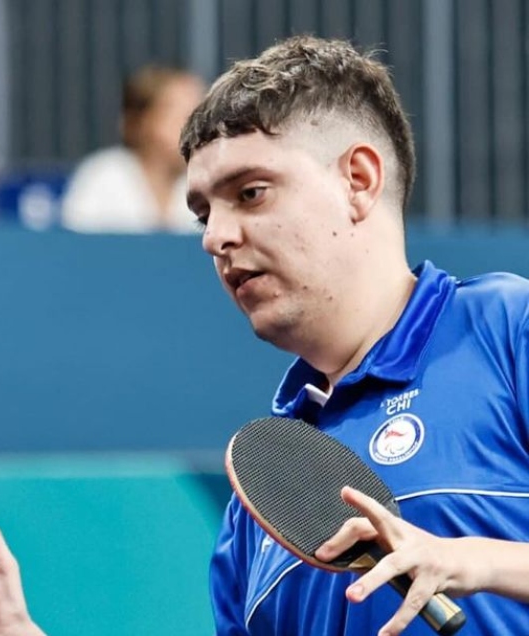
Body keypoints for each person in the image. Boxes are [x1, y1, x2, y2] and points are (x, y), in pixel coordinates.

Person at [179, 35, 529, 635]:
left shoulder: (508, 329)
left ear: (358, 180)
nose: (216, 237)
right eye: (204, 214)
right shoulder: (258, 503)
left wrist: (475, 560)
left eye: (249, 194)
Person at [61, 64, 204, 234]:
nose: (197, 131)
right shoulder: (101, 177)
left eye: (202, 119)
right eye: (183, 118)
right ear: (144, 121)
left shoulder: (209, 181)